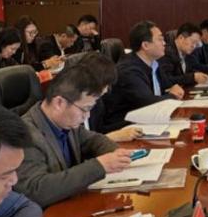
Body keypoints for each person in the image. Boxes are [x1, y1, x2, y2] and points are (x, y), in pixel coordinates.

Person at [16, 65, 139, 207]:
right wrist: (99, 166)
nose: (87, 116)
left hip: (71, 202)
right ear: (59, 103)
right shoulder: (26, 135)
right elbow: (36, 190)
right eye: (85, 109)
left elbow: (93, 140)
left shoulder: (65, 122)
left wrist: (116, 152)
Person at [99, 21, 184, 132]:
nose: (164, 43)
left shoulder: (153, 63)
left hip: (145, 120)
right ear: (145, 45)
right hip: (124, 127)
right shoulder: (129, 70)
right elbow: (148, 103)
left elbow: (167, 84)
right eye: (160, 39)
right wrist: (172, 95)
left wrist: (173, 89)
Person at [160, 22, 208, 88]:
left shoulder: (185, 52)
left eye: (196, 44)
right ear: (181, 38)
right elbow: (167, 80)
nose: (194, 46)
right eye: (193, 42)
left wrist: (199, 75)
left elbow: (188, 71)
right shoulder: (167, 53)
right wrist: (193, 77)